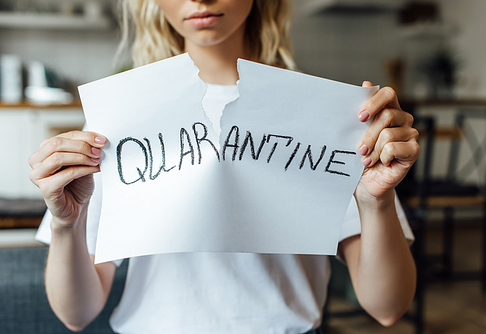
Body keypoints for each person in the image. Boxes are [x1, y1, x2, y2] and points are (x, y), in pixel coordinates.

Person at [29, 0, 419, 333]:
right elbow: (76, 314)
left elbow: (386, 307)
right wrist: (67, 224)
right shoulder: (121, 117)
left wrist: (376, 201)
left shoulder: (325, 113)